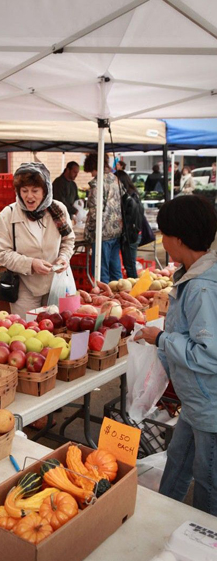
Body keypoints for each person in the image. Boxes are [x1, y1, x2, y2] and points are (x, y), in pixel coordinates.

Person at [134, 195, 217, 516]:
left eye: (164, 234)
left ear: (179, 239)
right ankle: (161, 520)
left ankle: (205, 545)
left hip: (209, 403)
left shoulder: (202, 288)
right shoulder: (195, 276)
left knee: (208, 481)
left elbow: (210, 355)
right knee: (178, 464)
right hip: (196, 400)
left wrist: (162, 338)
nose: (161, 240)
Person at [0, 162, 75, 318]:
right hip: (24, 287)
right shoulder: (8, 214)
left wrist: (64, 257)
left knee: (56, 328)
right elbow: (3, 254)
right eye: (24, 191)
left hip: (55, 284)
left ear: (45, 191)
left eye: (35, 190)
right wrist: (31, 264)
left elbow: (68, 240)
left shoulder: (58, 210)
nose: (29, 196)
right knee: (27, 331)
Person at [83, 152, 123, 283]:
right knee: (116, 271)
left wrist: (88, 232)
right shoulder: (116, 179)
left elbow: (94, 212)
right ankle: (119, 297)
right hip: (117, 229)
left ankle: (105, 298)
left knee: (101, 273)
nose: (91, 175)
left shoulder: (97, 183)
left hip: (103, 233)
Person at [115, 170, 144, 278]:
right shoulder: (134, 194)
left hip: (130, 234)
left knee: (130, 265)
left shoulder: (127, 198)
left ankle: (133, 285)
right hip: (136, 232)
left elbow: (128, 218)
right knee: (130, 264)